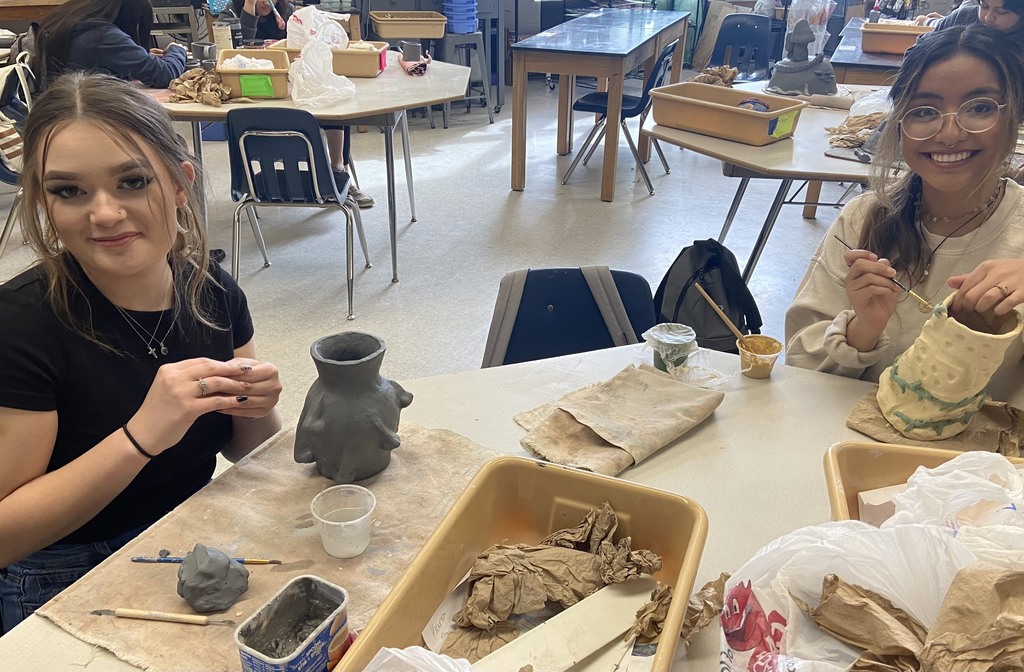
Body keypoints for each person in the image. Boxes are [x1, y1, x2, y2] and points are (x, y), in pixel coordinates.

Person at [0, 72, 282, 633]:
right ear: (44, 202)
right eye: (69, 191)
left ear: (180, 184)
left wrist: (257, 404)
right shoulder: (20, 324)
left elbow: (251, 454)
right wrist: (141, 436)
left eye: (131, 181)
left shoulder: (213, 292)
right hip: (66, 570)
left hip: (191, 531)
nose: (104, 213)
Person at [785, 24, 1024, 400]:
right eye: (924, 111)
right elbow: (799, 362)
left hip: (982, 457)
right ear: (899, 126)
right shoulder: (863, 220)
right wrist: (862, 330)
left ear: (1013, 119)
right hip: (857, 443)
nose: (949, 133)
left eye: (979, 108)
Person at [232, 0, 375, 209]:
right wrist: (248, 10)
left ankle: (339, 172)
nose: (265, 1)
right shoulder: (232, 14)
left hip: (295, 88)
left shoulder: (290, 14)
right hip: (259, 90)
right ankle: (269, 180)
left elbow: (305, 49)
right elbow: (239, 49)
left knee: (334, 105)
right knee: (251, 117)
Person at [34, 0, 186, 89]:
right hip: (91, 115)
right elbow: (165, 75)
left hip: (60, 106)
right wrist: (177, 49)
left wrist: (137, 54)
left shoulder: (69, 19)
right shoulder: (101, 35)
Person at [915, 0, 1024, 48]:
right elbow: (918, 49)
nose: (988, 17)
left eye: (1001, 12)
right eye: (984, 6)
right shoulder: (964, 17)